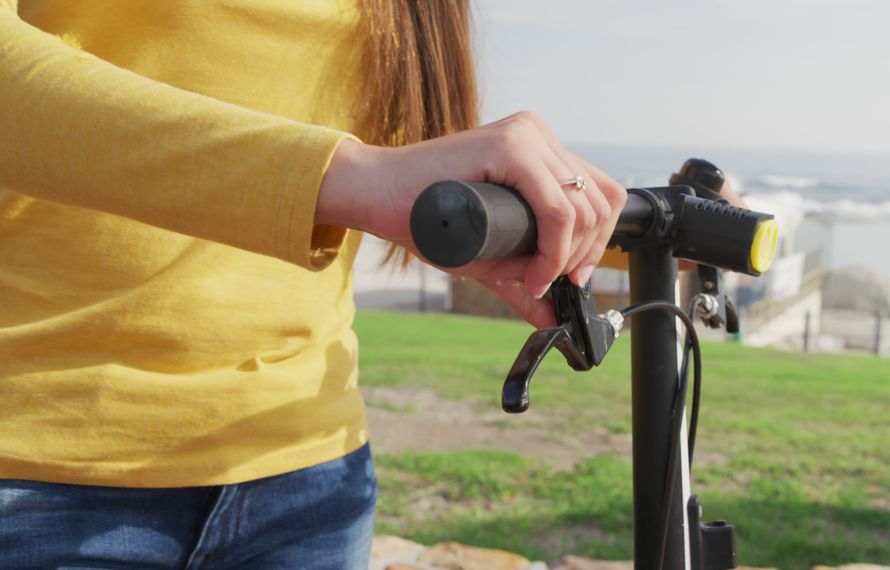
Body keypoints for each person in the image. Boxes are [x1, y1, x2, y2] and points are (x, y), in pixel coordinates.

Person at [0, 1, 627, 568]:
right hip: (35, 468)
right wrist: (350, 176)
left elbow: (406, 165)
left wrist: (661, 225)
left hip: (308, 480)